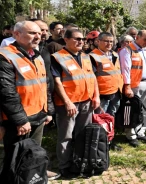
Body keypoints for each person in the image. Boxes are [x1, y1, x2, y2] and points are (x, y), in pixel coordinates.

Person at [0, 21, 56, 180]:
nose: (38, 36)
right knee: (15, 159)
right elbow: (6, 93)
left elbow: (44, 86)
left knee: (33, 156)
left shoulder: (36, 55)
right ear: (16, 34)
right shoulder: (5, 56)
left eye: (39, 33)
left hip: (38, 116)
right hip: (19, 121)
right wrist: (20, 120)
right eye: (32, 33)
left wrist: (48, 111)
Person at [51, 29, 100, 178]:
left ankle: (79, 162)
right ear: (66, 39)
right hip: (68, 105)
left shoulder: (86, 57)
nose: (81, 41)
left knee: (82, 135)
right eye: (77, 39)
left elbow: (93, 78)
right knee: (66, 136)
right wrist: (67, 102)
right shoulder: (58, 58)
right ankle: (64, 166)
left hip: (86, 102)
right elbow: (57, 82)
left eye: (82, 39)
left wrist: (96, 96)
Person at [119, 30, 146, 147]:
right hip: (134, 85)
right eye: (145, 39)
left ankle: (141, 132)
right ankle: (131, 134)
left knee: (145, 109)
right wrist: (127, 86)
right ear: (137, 37)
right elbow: (125, 70)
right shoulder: (127, 50)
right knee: (132, 110)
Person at [89, 32, 123, 150]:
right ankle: (100, 143)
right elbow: (91, 78)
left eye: (111, 41)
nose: (109, 44)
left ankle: (109, 141)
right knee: (100, 119)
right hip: (102, 94)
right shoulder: (92, 56)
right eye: (106, 41)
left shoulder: (114, 55)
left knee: (110, 118)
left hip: (115, 92)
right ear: (98, 41)